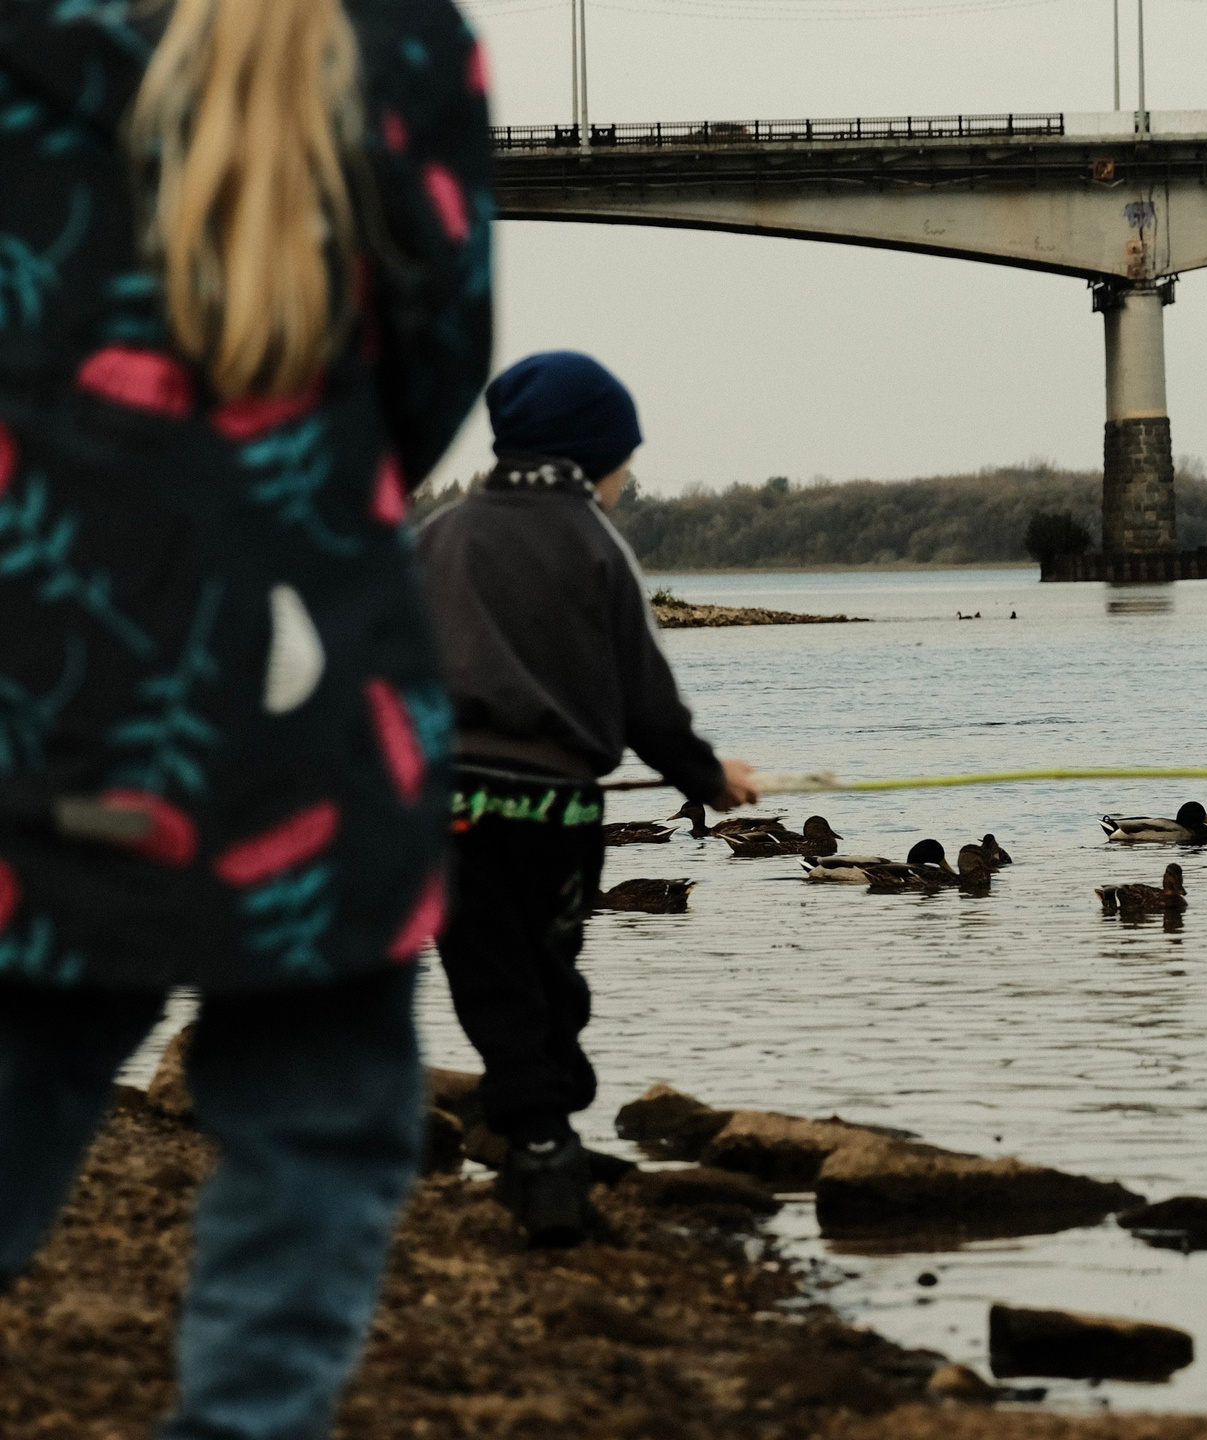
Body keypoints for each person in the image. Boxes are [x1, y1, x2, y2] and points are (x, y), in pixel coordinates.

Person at [0, 0, 490, 1433]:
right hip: (305, 698)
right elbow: (432, 360)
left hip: (40, 679)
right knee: (313, 1142)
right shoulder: (397, 40)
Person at [415, 352, 757, 1246]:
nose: (626, 479)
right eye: (624, 461)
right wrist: (705, 776)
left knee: (490, 977)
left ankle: (537, 1139)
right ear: (591, 458)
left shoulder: (440, 537)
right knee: (549, 973)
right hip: (562, 815)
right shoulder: (596, 543)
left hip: (452, 810)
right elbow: (645, 698)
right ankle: (547, 1134)